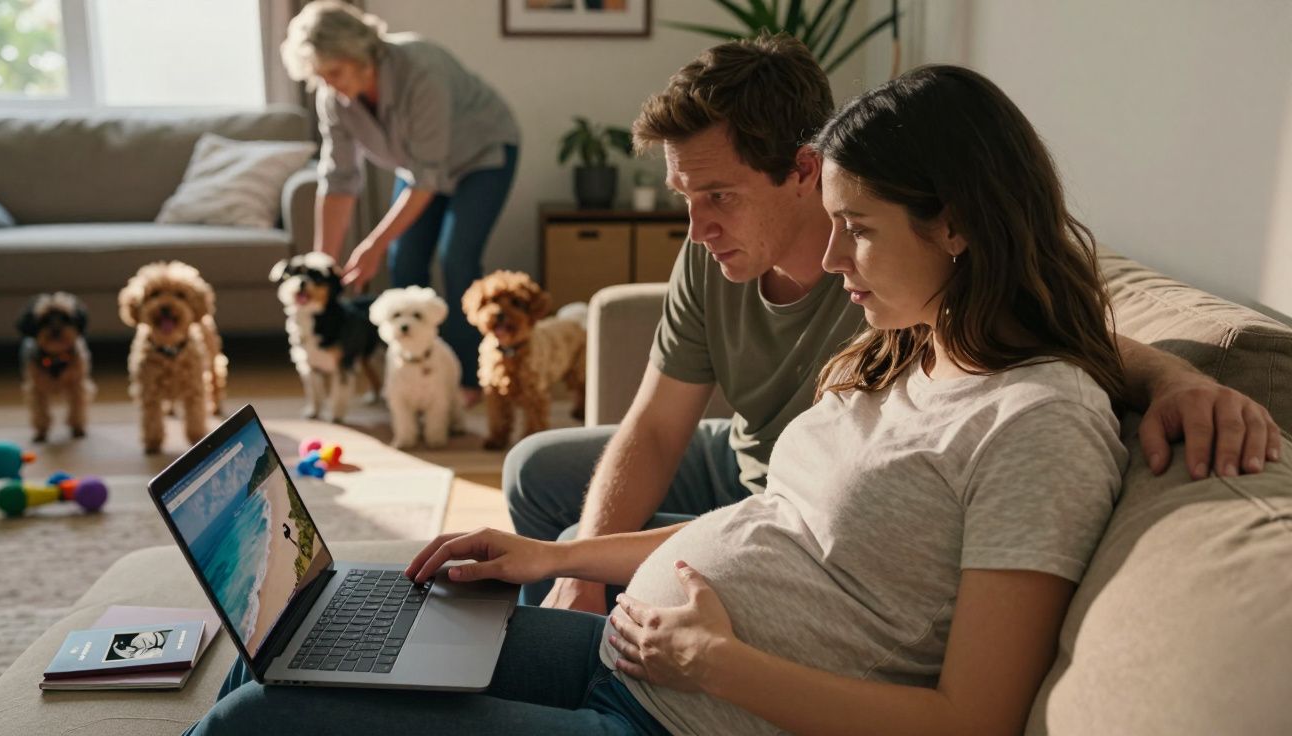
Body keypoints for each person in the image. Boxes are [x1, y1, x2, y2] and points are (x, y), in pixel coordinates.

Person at [192, 59, 1150, 736]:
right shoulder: (905, 351)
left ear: (959, 226)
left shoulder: (1039, 426)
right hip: (631, 662)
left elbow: (972, 723)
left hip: (687, 713)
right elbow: (773, 517)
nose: (830, 254)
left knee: (258, 720)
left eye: (855, 228)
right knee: (297, 644)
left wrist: (715, 664)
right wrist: (552, 556)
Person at [507, 34, 1282, 614]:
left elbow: (1043, 329)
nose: (697, 225)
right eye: (683, 197)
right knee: (538, 471)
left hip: (809, 498)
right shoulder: (714, 255)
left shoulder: (908, 268)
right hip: (753, 468)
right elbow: (654, 423)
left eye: (719, 194)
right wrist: (574, 572)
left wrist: (1179, 376)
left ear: (805, 169)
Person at [281, 1, 520, 406]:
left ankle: (466, 379)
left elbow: (428, 176)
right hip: (420, 172)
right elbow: (339, 180)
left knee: (457, 258)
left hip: (481, 156)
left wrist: (371, 243)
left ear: (360, 55)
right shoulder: (333, 98)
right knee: (404, 261)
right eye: (321, 76)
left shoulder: (421, 69)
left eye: (334, 72)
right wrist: (324, 264)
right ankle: (409, 370)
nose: (329, 84)